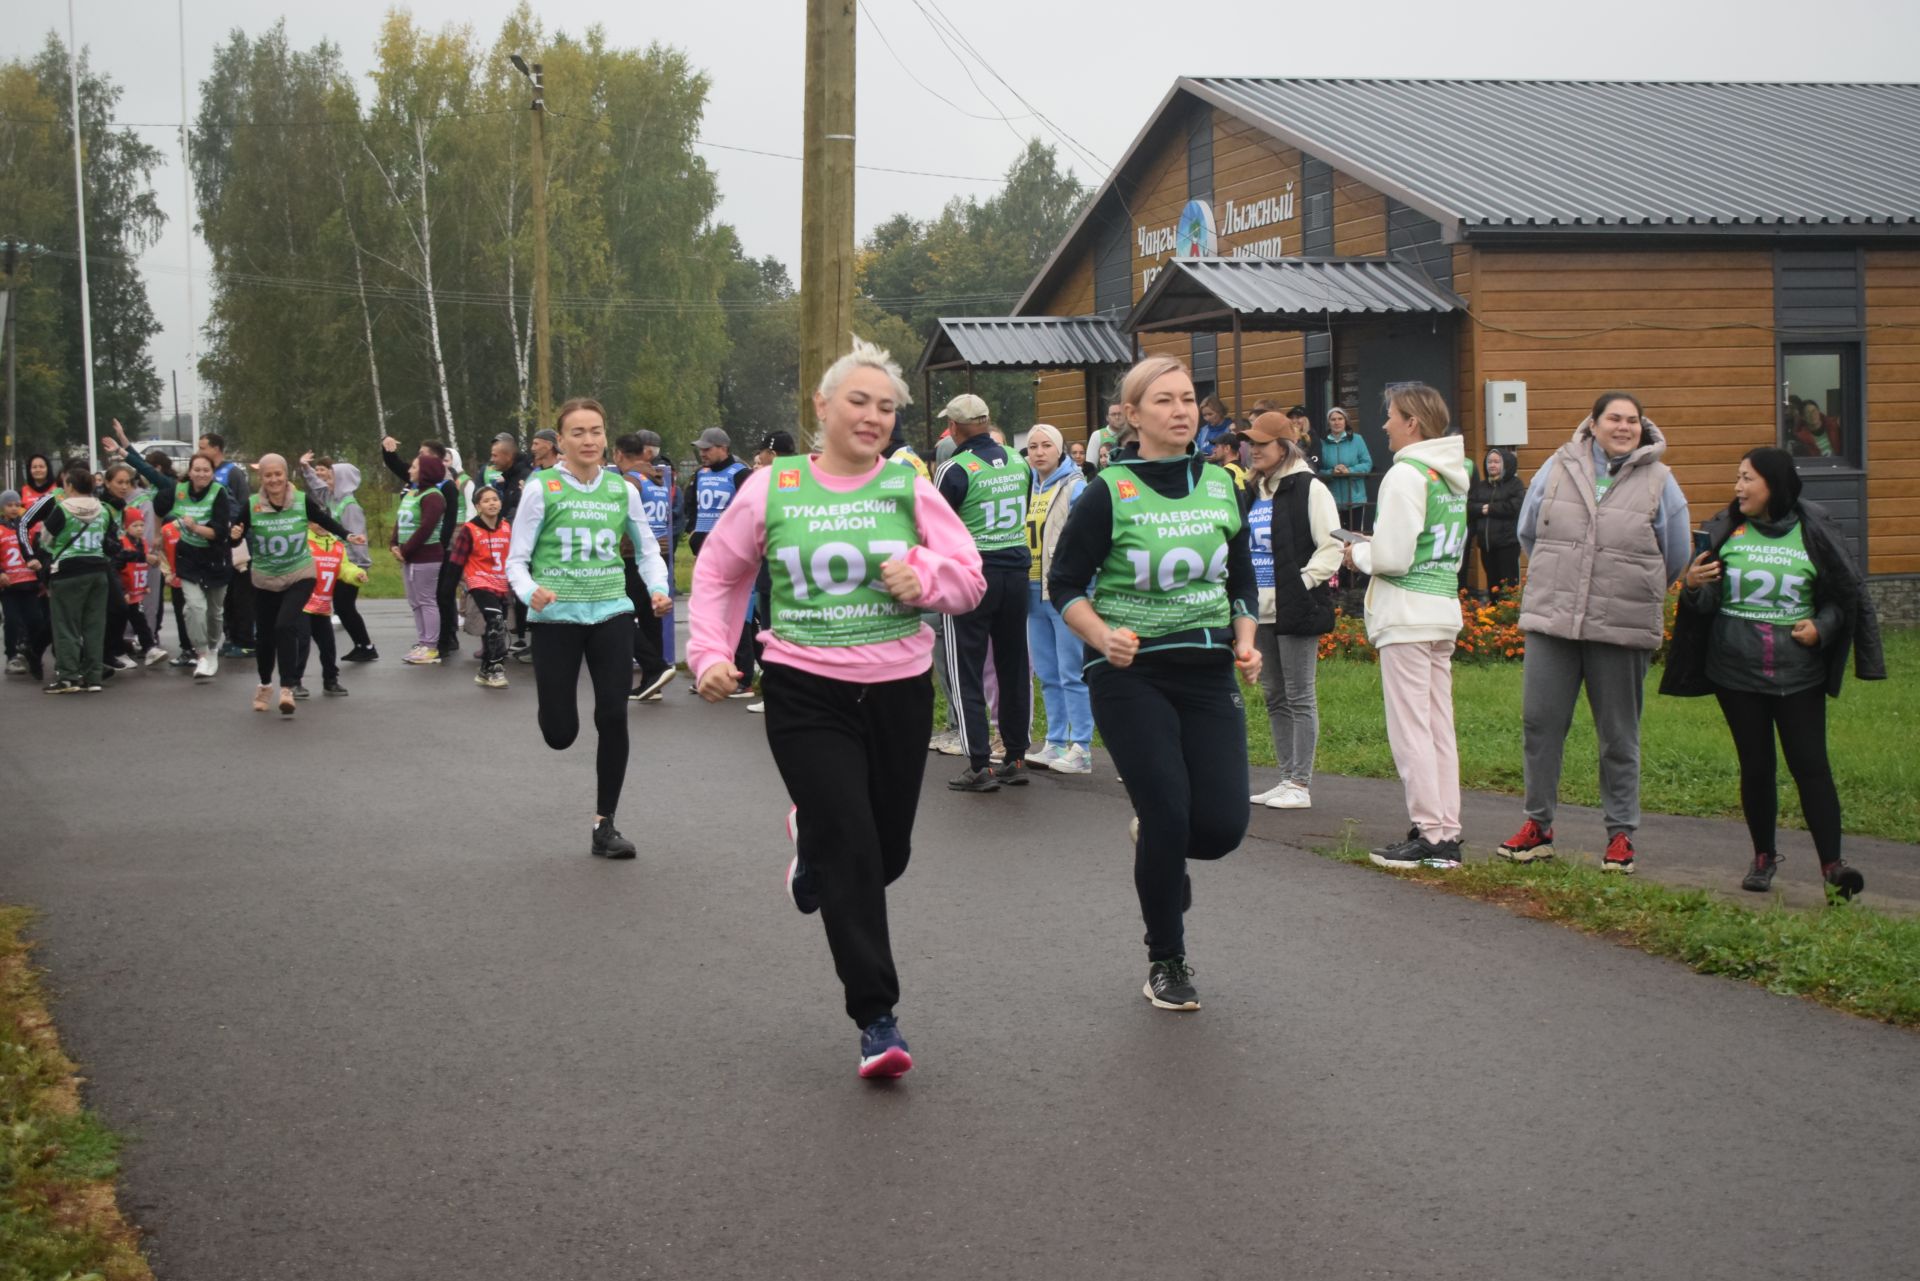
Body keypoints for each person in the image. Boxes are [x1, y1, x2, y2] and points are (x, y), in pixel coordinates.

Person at [687, 338, 985, 1078]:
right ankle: (878, 1019)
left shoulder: (909, 488)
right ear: (822, 407)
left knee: (889, 851)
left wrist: (923, 576)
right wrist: (710, 654)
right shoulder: (772, 487)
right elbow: (720, 576)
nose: (873, 416)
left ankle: (810, 844)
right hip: (804, 685)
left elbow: (971, 580)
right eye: (859, 400)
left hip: (898, 686)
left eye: (887, 407)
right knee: (854, 845)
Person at [1049, 355, 1260, 1012]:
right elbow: (1064, 584)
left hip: (1206, 668)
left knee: (1221, 826)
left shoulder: (1226, 483)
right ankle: (1166, 958)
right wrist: (1100, 635)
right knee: (1169, 808)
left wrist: (1246, 637)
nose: (1181, 410)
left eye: (1189, 399)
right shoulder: (1108, 491)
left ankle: (1159, 843)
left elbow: (1240, 579)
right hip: (1129, 672)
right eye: (1163, 400)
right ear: (1132, 416)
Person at [1662, 447, 1884, 899]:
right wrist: (1693, 586)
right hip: (1735, 671)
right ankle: (1763, 858)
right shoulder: (1727, 530)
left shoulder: (1813, 529)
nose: (1738, 487)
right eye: (1737, 477)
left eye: (1748, 478)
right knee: (1757, 766)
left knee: (1811, 766)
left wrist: (1820, 629)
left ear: (1774, 485)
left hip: (1798, 673)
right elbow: (1702, 604)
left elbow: (1841, 598)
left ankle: (1833, 866)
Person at [1498, 391, 1692, 874]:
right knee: (1540, 725)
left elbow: (1676, 552)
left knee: (1618, 737)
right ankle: (1537, 827)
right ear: (1595, 422)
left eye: (1632, 420)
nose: (1623, 427)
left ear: (1642, 428)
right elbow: (1529, 532)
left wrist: (1631, 588)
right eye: (1614, 418)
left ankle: (1621, 836)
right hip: (1553, 620)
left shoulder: (1659, 481)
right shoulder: (1558, 466)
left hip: (1620, 627)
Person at [506, 397, 672, 860]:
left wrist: (658, 588)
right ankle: (556, 719)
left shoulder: (623, 491)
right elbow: (516, 560)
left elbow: (647, 551)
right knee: (560, 732)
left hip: (611, 613)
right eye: (577, 432)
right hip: (556, 618)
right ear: (561, 442)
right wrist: (529, 592)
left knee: (613, 716)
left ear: (605, 437)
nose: (588, 440)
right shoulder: (542, 489)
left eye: (596, 431)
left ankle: (605, 824)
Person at [1344, 384, 1470, 870]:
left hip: (1407, 615)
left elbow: (1393, 557)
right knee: (1439, 728)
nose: (1385, 425)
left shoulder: (1404, 475)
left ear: (1412, 422)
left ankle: (1431, 835)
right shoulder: (1450, 475)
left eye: (1391, 416)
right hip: (1441, 606)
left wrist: (1356, 552)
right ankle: (1446, 831)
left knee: (1412, 731)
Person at [934, 393, 1033, 791]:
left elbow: (935, 524)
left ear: (955, 428)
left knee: (966, 668)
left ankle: (978, 763)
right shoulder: (1017, 460)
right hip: (1016, 571)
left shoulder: (954, 468)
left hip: (972, 574)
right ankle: (1015, 754)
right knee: (1012, 665)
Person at [1242, 413, 1341, 810]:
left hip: (1296, 606)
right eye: (1252, 445)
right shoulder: (1254, 490)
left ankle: (1300, 782)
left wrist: (1300, 583)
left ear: (1283, 447)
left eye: (1262, 445)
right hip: (1260, 607)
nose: (1254, 451)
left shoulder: (1308, 488)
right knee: (1274, 694)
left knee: (1300, 694)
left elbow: (1332, 545)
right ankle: (1286, 777)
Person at [235, 453, 362, 714]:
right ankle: (265, 684)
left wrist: (348, 535)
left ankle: (287, 687)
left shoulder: (302, 501)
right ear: (262, 478)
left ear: (286, 475)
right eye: (268, 475)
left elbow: (324, 520)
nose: (274, 479)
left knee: (285, 625)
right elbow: (233, 536)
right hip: (266, 578)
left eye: (278, 474)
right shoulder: (251, 506)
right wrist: (233, 535)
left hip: (299, 573)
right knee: (266, 637)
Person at [1021, 424, 1093, 774]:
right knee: (1047, 672)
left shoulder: (1076, 487)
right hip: (1032, 591)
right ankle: (1054, 742)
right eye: (1032, 446)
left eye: (1046, 445)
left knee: (1072, 671)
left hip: (1064, 593)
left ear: (1060, 449)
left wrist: (1085, 586)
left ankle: (1082, 746)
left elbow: (1091, 538)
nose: (1038, 452)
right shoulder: (1028, 487)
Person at [35, 465, 117, 694]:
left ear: (70, 485)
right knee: (94, 626)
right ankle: (93, 678)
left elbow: (46, 539)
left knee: (66, 626)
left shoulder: (62, 509)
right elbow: (110, 539)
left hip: (68, 571)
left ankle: (68, 676)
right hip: (98, 570)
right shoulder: (103, 510)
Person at [612, 433, 673, 701]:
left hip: (633, 556)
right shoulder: (658, 479)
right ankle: (654, 681)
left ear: (618, 454)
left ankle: (653, 667)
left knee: (619, 617)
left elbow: (618, 519)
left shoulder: (630, 482)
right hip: (661, 551)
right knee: (651, 619)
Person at [300, 455, 377, 662]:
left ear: (342, 480)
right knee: (343, 607)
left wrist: (359, 566)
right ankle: (363, 645)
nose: (327, 479)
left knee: (344, 607)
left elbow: (357, 536)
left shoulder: (350, 506)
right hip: (338, 561)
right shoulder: (333, 497)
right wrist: (306, 468)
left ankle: (366, 646)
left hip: (350, 563)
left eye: (332, 476)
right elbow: (317, 487)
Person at [447, 484, 513, 689]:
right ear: (478, 507)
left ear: (500, 503)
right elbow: (457, 560)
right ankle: (495, 669)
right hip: (479, 581)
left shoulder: (507, 527)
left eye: (495, 499)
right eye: (486, 501)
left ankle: (485, 669)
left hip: (501, 582)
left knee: (497, 625)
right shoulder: (470, 529)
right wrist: (447, 588)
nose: (492, 503)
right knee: (495, 619)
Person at [198, 432, 254, 659]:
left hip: (236, 542)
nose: (200, 452)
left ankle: (246, 638)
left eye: (203, 448)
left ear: (217, 448)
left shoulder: (232, 472)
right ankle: (231, 636)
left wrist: (238, 534)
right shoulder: (204, 473)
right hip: (215, 542)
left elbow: (243, 505)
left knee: (241, 592)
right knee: (225, 594)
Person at [392, 453, 450, 664]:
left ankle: (431, 646)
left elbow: (426, 527)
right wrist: (393, 543)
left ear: (425, 471)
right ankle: (423, 641)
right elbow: (400, 520)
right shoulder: (412, 493)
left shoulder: (433, 496)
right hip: (409, 556)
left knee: (426, 600)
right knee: (415, 602)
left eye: (414, 467)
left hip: (426, 556)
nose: (410, 470)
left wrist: (406, 551)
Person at [295, 524, 358, 697]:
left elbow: (344, 568)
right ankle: (294, 683)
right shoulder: (302, 542)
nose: (322, 526)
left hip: (322, 605)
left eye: (325, 522)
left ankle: (330, 681)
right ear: (309, 523)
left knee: (328, 645)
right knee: (301, 644)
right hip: (303, 603)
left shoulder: (337, 545)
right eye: (317, 522)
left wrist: (356, 574)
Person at [1, 490, 50, 680]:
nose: (14, 508)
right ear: (3, 508)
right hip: (10, 586)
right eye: (9, 505)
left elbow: (38, 553)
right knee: (12, 622)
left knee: (36, 621)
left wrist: (42, 579)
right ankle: (12, 655)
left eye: (17, 505)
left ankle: (32, 652)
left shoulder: (28, 529)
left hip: (30, 584)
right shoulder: (1, 529)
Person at [683, 427, 749, 558]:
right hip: (701, 551)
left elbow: (749, 510)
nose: (702, 453)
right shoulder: (700, 473)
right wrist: (692, 532)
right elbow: (691, 505)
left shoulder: (741, 473)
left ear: (723, 449)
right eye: (700, 449)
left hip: (730, 551)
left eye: (707, 449)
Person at [1466, 447, 1523, 597]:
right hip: (1487, 546)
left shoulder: (1515, 484)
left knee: (1508, 587)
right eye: (1489, 462)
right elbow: (1470, 506)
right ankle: (1493, 616)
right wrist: (1481, 508)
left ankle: (1510, 616)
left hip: (1507, 544)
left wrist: (1489, 509)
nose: (1492, 465)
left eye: (1497, 462)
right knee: (1492, 586)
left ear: (1505, 464)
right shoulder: (1482, 486)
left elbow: (1514, 507)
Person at [1318, 407, 1373, 533]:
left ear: (1345, 421)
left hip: (1355, 499)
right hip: (1332, 500)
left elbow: (1367, 464)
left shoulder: (1357, 440)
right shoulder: (1322, 443)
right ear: (1328, 423)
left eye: (1340, 419)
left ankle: (1353, 553)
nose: (1337, 422)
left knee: (1354, 536)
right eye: (1333, 419)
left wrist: (1349, 470)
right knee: (1338, 536)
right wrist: (1331, 472)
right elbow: (1318, 470)